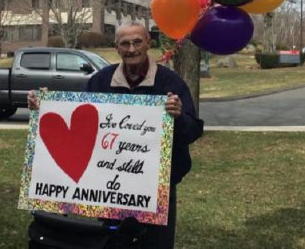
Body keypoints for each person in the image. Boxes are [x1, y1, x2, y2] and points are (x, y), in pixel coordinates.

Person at [28, 21, 203, 249]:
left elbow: (191, 132)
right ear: (117, 48)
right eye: (125, 43)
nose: (132, 49)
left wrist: (179, 117)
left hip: (156, 188)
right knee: (112, 243)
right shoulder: (100, 81)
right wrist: (44, 107)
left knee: (155, 244)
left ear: (148, 43)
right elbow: (78, 124)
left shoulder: (170, 83)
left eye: (137, 42)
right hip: (110, 187)